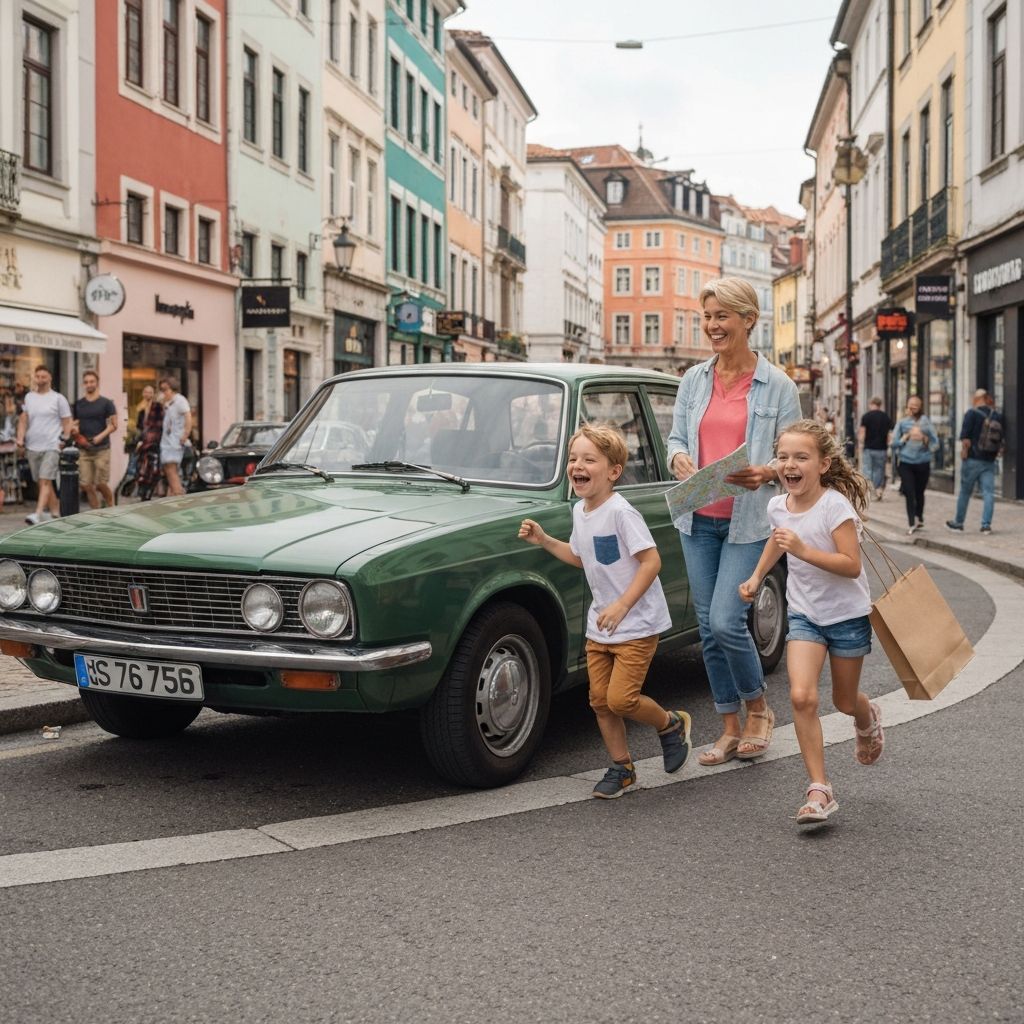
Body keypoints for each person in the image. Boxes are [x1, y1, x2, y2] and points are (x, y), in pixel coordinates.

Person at [666, 277, 801, 766]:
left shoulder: (779, 386)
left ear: (748, 320)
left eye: (722, 316)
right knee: (707, 628)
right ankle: (728, 726)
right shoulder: (692, 380)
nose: (712, 326)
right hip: (697, 518)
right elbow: (675, 439)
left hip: (748, 523)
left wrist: (768, 471)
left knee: (726, 620)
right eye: (707, 317)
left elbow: (798, 455)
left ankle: (758, 708)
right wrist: (678, 458)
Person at [518, 422, 691, 799]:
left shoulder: (621, 513)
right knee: (599, 701)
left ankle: (670, 724)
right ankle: (622, 768)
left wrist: (623, 605)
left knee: (621, 699)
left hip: (637, 623)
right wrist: (544, 540)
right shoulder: (580, 511)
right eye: (573, 459)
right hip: (602, 625)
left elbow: (651, 561)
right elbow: (580, 557)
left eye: (589, 459)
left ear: (613, 471)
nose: (577, 466)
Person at [739, 419, 883, 826]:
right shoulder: (776, 506)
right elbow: (777, 540)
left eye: (801, 457)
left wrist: (802, 550)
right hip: (804, 615)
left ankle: (867, 717)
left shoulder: (835, 507)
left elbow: (851, 565)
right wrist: (756, 576)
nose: (790, 464)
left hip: (847, 617)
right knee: (802, 697)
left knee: (844, 701)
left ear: (823, 464)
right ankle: (819, 789)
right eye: (783, 457)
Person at [15, 365, 72, 525]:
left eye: (43, 376)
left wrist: (64, 439)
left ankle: (38, 514)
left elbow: (67, 421)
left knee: (45, 479)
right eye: (38, 376)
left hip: (52, 445)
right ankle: (55, 512)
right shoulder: (29, 397)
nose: (40, 379)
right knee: (41, 481)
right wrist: (20, 439)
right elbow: (24, 420)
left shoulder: (58, 398)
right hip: (33, 445)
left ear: (50, 378)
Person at [946, 388, 1003, 536]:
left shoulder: (971, 413)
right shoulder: (996, 415)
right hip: (989, 460)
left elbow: (966, 439)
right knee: (988, 493)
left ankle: (958, 523)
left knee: (965, 492)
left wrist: (964, 453)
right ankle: (986, 525)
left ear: (977, 398)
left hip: (973, 459)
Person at [893, 395, 938, 536]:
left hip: (923, 462)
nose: (912, 407)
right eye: (910, 404)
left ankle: (919, 516)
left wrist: (924, 439)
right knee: (909, 492)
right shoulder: (902, 423)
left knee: (919, 492)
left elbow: (936, 443)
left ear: (920, 407)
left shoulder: (926, 422)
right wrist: (905, 438)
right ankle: (911, 522)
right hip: (906, 462)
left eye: (915, 405)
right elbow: (894, 443)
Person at [72, 370, 118, 509]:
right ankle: (96, 512)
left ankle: (111, 506)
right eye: (86, 382)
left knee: (100, 483)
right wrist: (76, 432)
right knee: (86, 484)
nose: (89, 384)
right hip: (84, 449)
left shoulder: (106, 403)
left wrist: (100, 436)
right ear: (83, 384)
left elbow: (114, 425)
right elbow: (75, 423)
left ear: (97, 383)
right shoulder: (78, 404)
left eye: (91, 381)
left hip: (102, 449)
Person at [158, 376, 192, 496]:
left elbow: (188, 417)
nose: (163, 393)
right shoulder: (168, 404)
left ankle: (178, 494)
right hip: (167, 441)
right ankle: (173, 494)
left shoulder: (180, 400)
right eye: (161, 390)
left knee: (171, 468)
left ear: (172, 389)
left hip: (175, 441)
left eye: (165, 389)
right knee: (169, 469)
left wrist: (185, 435)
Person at [858, 396, 892, 500]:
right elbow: (889, 435)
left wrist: (861, 443)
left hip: (869, 448)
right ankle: (877, 490)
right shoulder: (886, 417)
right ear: (880, 405)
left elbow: (862, 433)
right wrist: (888, 445)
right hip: (881, 448)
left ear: (871, 404)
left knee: (867, 469)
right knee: (879, 470)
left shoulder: (866, 416)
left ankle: (869, 491)